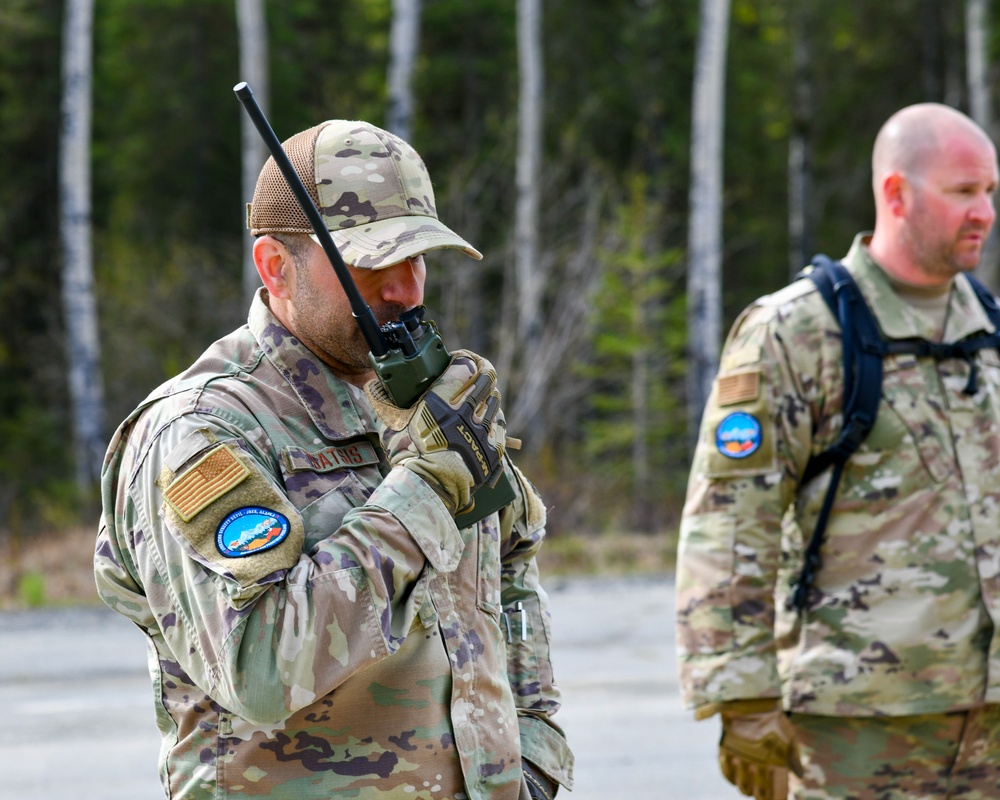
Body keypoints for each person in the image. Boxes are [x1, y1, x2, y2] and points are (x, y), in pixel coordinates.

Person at [95, 118, 574, 800]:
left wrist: (535, 753)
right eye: (373, 262)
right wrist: (427, 492)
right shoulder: (202, 433)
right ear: (274, 267)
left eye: (418, 258)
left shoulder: (412, 403)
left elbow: (511, 569)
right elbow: (261, 669)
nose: (407, 290)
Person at [675, 102, 1000, 799]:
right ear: (896, 194)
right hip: (857, 725)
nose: (984, 212)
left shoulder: (991, 333)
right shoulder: (800, 331)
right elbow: (732, 519)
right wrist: (743, 696)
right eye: (963, 192)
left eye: (990, 193)